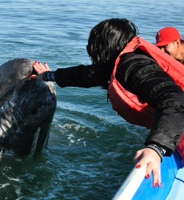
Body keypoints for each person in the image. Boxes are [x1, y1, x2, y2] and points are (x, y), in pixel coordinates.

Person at [31, 18, 184, 188]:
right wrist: (48, 75)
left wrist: (156, 148)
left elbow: (175, 100)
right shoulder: (119, 63)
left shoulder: (135, 66)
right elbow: (85, 75)